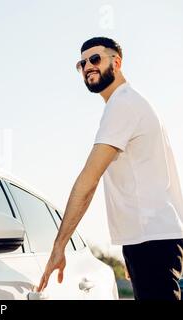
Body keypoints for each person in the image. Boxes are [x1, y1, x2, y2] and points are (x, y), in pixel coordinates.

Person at [37, 37, 183, 300]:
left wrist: (59, 247)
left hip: (152, 242)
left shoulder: (123, 104)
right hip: (149, 239)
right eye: (82, 63)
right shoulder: (129, 103)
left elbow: (89, 180)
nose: (87, 66)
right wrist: (131, 245)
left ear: (116, 62)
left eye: (95, 59)